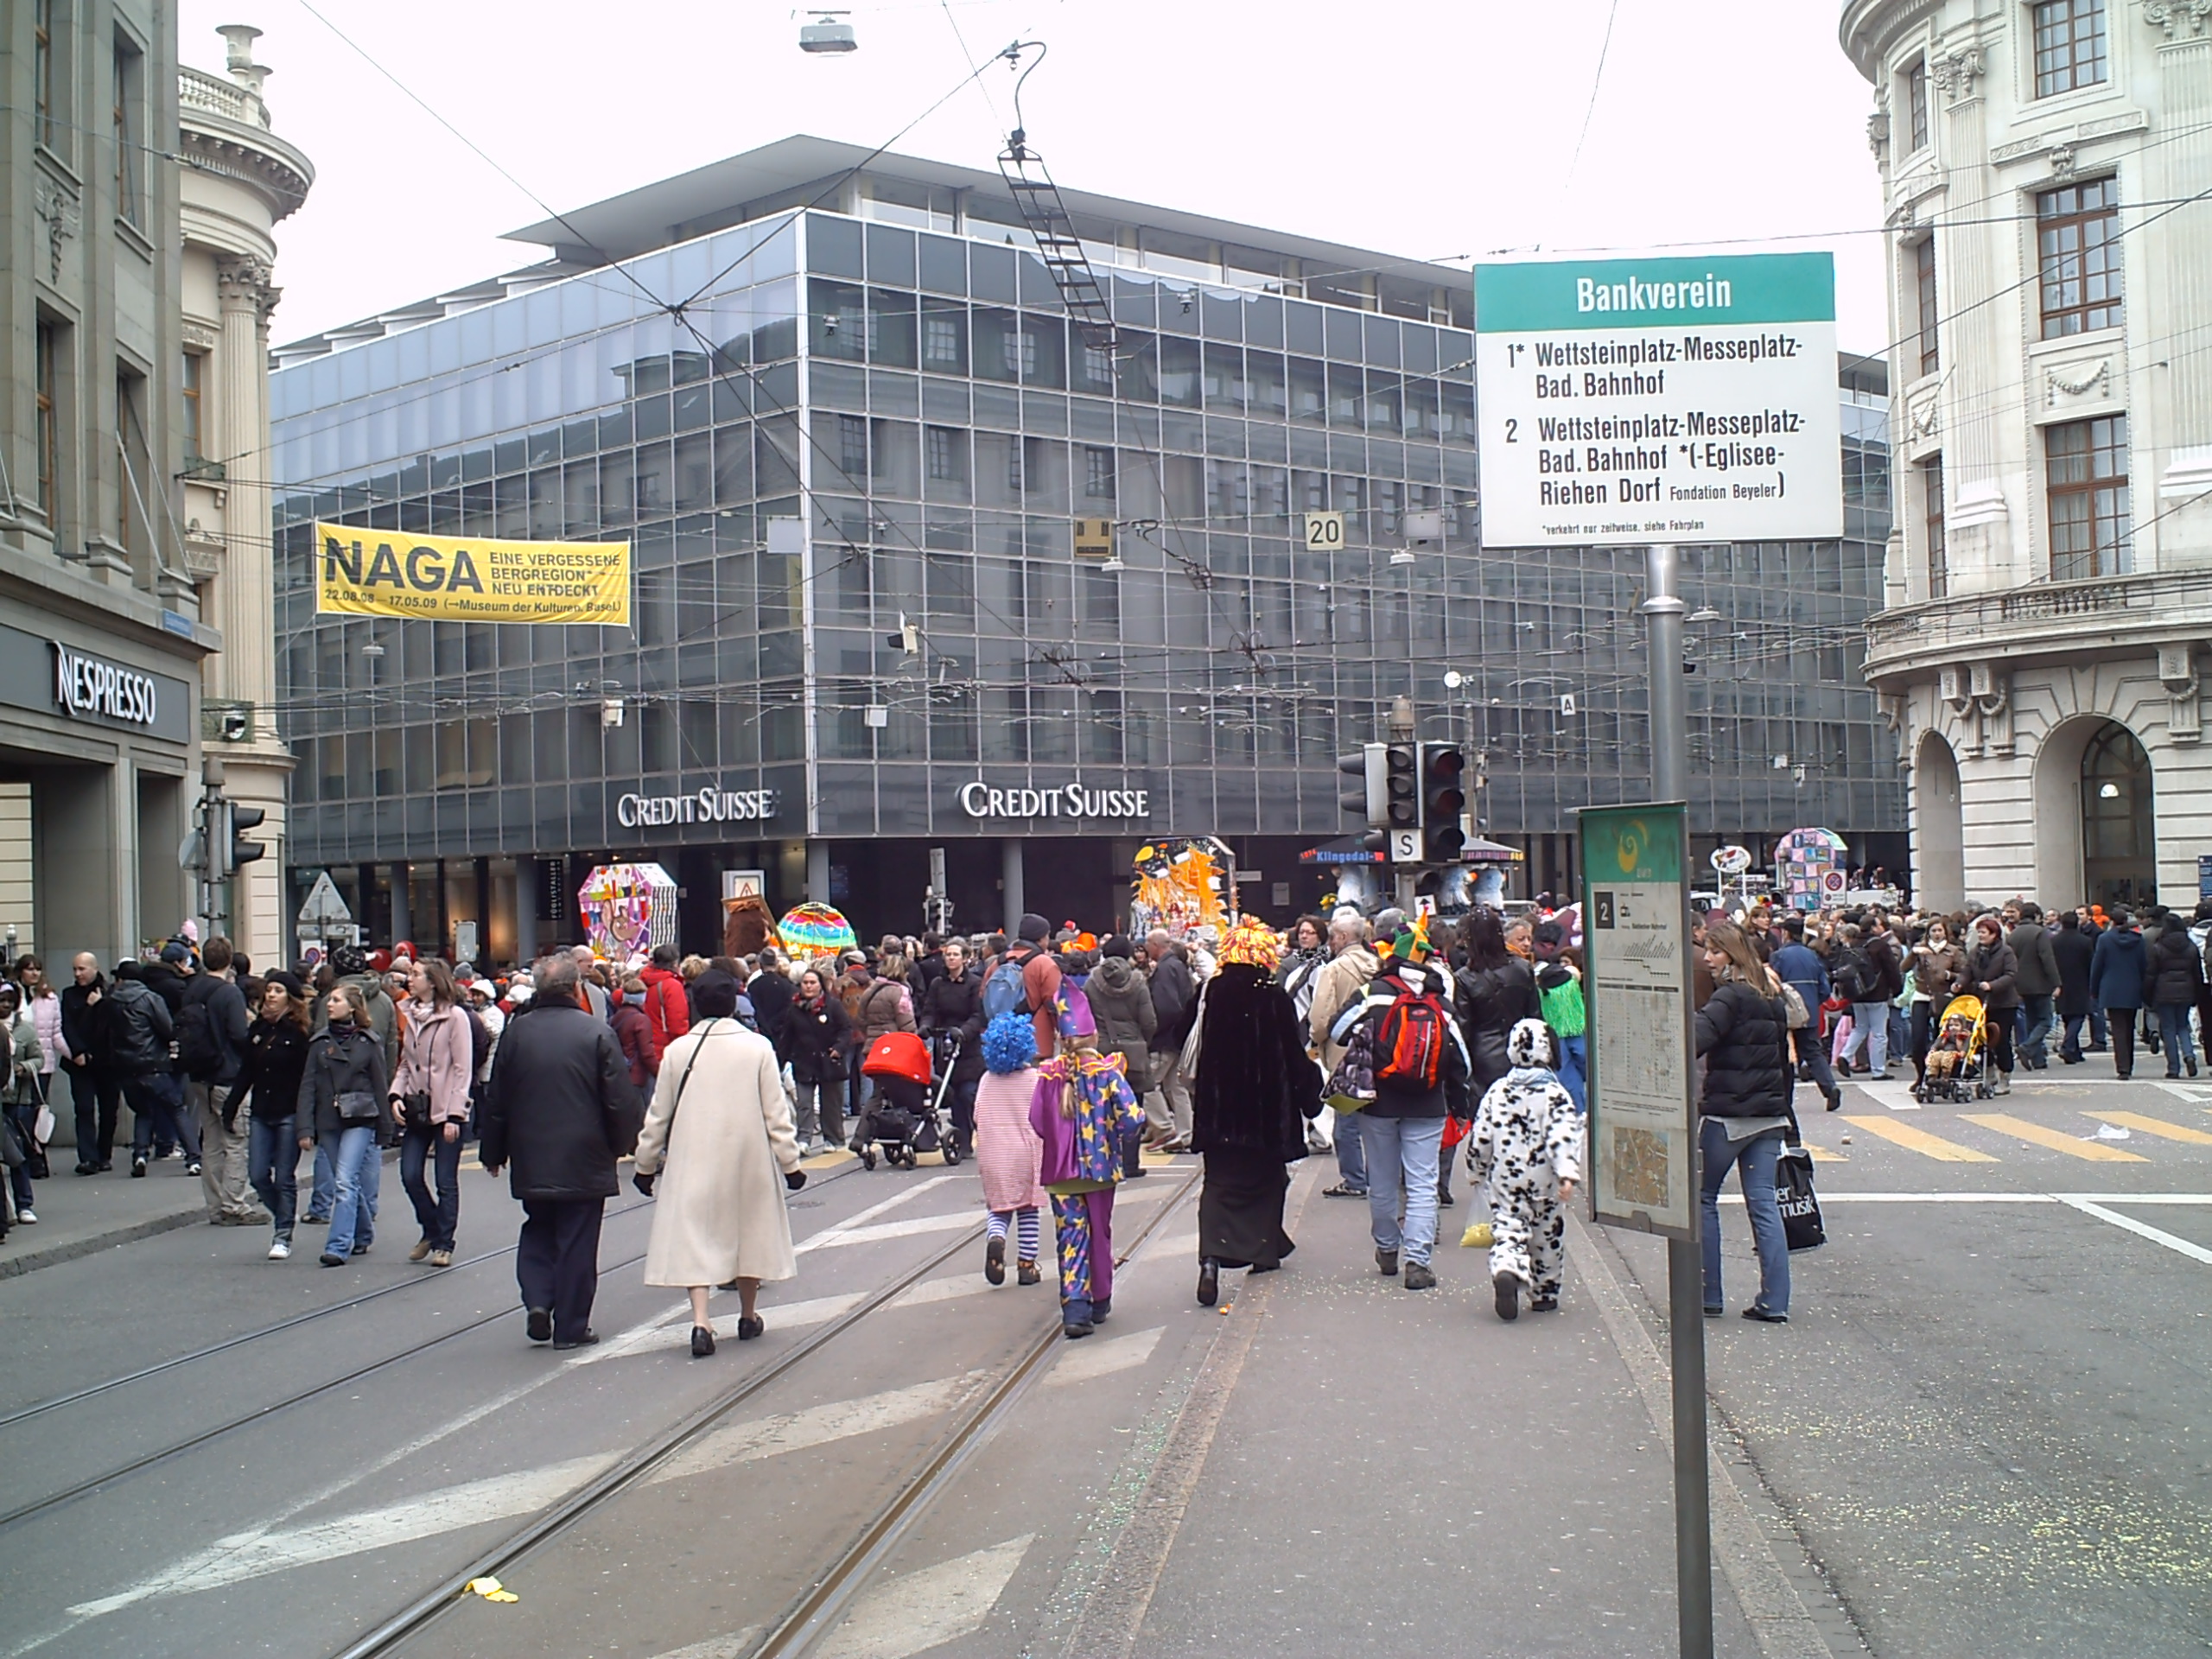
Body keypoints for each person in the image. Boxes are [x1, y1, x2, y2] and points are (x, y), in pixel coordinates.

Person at [632, 971, 805, 1357]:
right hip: (748, 1156)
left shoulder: (678, 1050)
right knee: (749, 1233)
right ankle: (747, 1314)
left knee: (696, 1236)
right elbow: (776, 1112)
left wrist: (645, 1164)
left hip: (693, 1156)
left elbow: (658, 1114)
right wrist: (790, 1163)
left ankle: (700, 1321)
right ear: (733, 1004)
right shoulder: (758, 1047)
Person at [480, 956, 644, 1349]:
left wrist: (493, 1150)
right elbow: (619, 1099)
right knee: (577, 1240)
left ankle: (538, 1299)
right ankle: (570, 1326)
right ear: (576, 988)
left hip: (531, 1151)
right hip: (585, 1155)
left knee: (537, 1227)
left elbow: (497, 1098)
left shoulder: (517, 1033)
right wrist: (627, 1143)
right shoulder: (595, 1032)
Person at [1329, 915, 1471, 1292]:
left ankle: (1388, 1249)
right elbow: (1463, 1060)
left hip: (1379, 1101)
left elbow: (1337, 1031)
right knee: (1423, 1183)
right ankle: (1418, 1263)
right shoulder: (1438, 997)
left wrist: (1369, 1033)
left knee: (1382, 1179)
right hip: (1428, 1102)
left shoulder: (1373, 992)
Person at [1186, 919, 1321, 1306]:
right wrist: (1311, 1097)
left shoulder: (1209, 990)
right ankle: (1262, 1252)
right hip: (1264, 1114)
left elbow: (1180, 1032)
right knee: (1267, 1181)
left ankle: (1210, 1258)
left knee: (1219, 1184)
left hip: (1219, 1112)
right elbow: (1293, 1056)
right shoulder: (1272, 995)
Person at [1029, 982, 1146, 1338]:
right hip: (1099, 1171)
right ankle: (1100, 1299)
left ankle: (1074, 1308)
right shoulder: (1106, 1073)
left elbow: (1036, 1121)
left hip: (1060, 1174)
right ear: (1093, 1036)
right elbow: (1132, 1118)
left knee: (1070, 1237)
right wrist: (1115, 1135)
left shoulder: (1049, 1077)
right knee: (1100, 1233)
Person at [1695, 919, 1794, 1324]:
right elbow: (1782, 1059)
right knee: (1764, 1204)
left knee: (1703, 1198)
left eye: (1714, 951)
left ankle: (1709, 1295)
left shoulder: (1729, 998)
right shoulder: (1770, 996)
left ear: (1732, 955)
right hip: (1769, 1116)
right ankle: (1775, 1301)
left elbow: (1693, 1039)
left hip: (1728, 1114)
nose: (1707, 958)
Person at [1467, 1019, 1584, 1321]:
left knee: (1508, 1227)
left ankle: (1507, 1265)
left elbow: (1481, 1134)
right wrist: (1567, 1173)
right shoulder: (1555, 1095)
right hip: (1544, 1176)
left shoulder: (1498, 1091)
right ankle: (1544, 1292)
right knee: (1547, 1234)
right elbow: (1563, 1135)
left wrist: (1476, 1168)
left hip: (1506, 1175)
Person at [299, 983, 394, 1267]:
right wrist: (304, 1127)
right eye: (329, 1000)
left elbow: (380, 1085)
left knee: (343, 1179)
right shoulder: (319, 1042)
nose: (329, 1004)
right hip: (328, 1120)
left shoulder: (368, 1041)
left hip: (359, 1117)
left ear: (352, 1006)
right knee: (348, 1181)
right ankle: (363, 1233)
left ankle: (338, 1245)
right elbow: (308, 1086)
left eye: (337, 1000)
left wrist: (385, 1127)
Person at [1452, 907, 1536, 1207]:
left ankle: (1493, 1197)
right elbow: (1535, 1019)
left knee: (1486, 1131)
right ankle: (1520, 1191)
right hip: (1520, 1059)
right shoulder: (1522, 970)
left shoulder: (1464, 977)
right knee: (1521, 1129)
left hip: (1482, 1062)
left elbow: (1462, 1028)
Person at [392, 958, 474, 1267]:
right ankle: (431, 1228)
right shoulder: (410, 1014)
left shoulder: (455, 1018)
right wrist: (396, 1093)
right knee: (410, 1174)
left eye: (414, 975)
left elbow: (462, 1068)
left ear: (433, 981)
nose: (409, 980)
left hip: (445, 1110)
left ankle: (444, 1243)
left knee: (445, 1181)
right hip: (417, 1108)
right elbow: (405, 1063)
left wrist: (455, 1114)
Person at [180, 937, 257, 1224]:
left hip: (199, 1074)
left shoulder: (192, 990)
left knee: (210, 1141)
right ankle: (234, 1205)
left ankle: (215, 1206)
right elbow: (238, 1035)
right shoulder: (229, 993)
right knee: (236, 1140)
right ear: (228, 961)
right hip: (227, 1075)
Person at [237, 972, 313, 1260]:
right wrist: (232, 1106)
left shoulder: (300, 1033)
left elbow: (308, 1079)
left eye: (278, 990)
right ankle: (284, 1213)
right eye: (269, 990)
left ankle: (282, 1234)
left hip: (289, 1112)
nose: (270, 995)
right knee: (257, 1174)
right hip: (261, 1111)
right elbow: (247, 1071)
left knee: (284, 1177)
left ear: (290, 998)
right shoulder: (258, 1029)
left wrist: (308, 1119)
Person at [1308, 912, 1379, 1198]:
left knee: (1346, 1123)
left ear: (1343, 938)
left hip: (1345, 1057)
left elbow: (1321, 1017)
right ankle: (1378, 1176)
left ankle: (1354, 1180)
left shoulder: (1334, 970)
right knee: (1375, 1124)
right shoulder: (1378, 964)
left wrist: (1316, 1039)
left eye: (1333, 936)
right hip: (1379, 1054)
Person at [974, 1011, 1046, 1287]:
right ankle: (1027, 1266)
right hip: (1025, 1154)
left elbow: (978, 1113)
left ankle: (997, 1238)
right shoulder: (1035, 1079)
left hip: (993, 1153)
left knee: (999, 1207)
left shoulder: (986, 1080)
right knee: (1028, 1208)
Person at [111, 962, 199, 1178]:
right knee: (176, 1109)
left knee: (143, 1112)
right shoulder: (150, 999)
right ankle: (194, 1159)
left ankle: (140, 1155)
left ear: (121, 979)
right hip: (154, 1064)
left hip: (125, 1067)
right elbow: (167, 1029)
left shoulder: (110, 1002)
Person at [1080, 936, 1157, 1179]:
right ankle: (1131, 1164)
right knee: (1133, 1107)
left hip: (1100, 1053)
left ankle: (1105, 1162)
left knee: (1102, 1109)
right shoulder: (1138, 981)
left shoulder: (1092, 982)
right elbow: (1149, 1021)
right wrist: (1141, 1042)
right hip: (1133, 1053)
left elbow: (1085, 1016)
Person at [918, 938, 988, 1158]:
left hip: (968, 1047)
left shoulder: (974, 984)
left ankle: (972, 1134)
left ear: (966, 959)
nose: (950, 958)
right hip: (945, 1044)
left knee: (967, 1094)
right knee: (951, 1094)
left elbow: (978, 1015)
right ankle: (959, 1137)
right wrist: (926, 1026)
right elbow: (930, 1010)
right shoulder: (938, 984)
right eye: (948, 954)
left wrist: (965, 1032)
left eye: (955, 955)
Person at [1770, 916, 1844, 1110]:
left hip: (1784, 1009)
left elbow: (1773, 984)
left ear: (1785, 933)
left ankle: (1786, 1098)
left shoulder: (1779, 956)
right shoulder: (1812, 955)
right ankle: (1830, 1087)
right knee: (1813, 1052)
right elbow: (1824, 988)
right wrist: (1812, 1002)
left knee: (1783, 1053)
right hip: (1808, 1009)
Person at [779, 967, 852, 1150]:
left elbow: (846, 1029)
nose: (809, 986)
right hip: (804, 1062)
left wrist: (838, 1048)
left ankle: (833, 1139)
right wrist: (780, 1062)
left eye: (813, 983)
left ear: (820, 985)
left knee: (830, 1104)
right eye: (805, 983)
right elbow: (787, 1037)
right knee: (804, 1103)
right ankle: (804, 1139)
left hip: (829, 1061)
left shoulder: (833, 1006)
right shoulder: (794, 1009)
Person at [59, 953, 118, 1174]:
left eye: (82, 969)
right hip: (81, 1062)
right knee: (84, 1109)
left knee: (108, 1110)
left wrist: (99, 1004)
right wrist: (77, 1051)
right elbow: (67, 1026)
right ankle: (88, 1157)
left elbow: (114, 1023)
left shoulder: (110, 993)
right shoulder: (70, 995)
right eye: (75, 969)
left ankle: (104, 1154)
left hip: (107, 1062)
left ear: (95, 969)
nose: (78, 974)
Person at [1141, 930, 1196, 1152]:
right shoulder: (1177, 966)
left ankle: (1165, 1129)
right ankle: (1186, 1134)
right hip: (1178, 1037)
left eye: (1147, 944)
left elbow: (1166, 1008)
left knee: (1146, 1084)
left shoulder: (1164, 969)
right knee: (1176, 1087)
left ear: (1155, 944)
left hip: (1165, 1038)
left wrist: (1152, 1032)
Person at [1961, 913, 2020, 1094]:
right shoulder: (1975, 952)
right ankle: (1989, 1073)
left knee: (2001, 1040)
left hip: (2003, 1003)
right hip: (1981, 1002)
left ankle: (2005, 1076)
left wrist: (1992, 985)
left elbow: (2010, 974)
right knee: (1980, 1039)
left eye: (1984, 932)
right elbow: (1967, 971)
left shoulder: (2005, 952)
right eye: (1979, 932)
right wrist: (1959, 983)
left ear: (1994, 934)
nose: (1980, 936)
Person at [1533, 926, 1588, 1113]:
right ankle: (1578, 1111)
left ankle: (1577, 1111)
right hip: (1571, 1030)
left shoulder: (1544, 987)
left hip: (1557, 1033)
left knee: (1566, 1074)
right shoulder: (1571, 985)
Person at [1, 984, 44, 1223]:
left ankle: (24, 1204)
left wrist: (24, 1067)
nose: (5, 1005)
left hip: (19, 1100)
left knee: (17, 1153)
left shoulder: (26, 1031)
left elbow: (39, 1059)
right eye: (1, 1000)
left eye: (10, 1001)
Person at [1905, 918, 1964, 1090]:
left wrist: (1949, 976)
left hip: (1944, 997)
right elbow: (1903, 967)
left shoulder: (1954, 951)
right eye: (1934, 931)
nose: (1937, 934)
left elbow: (1964, 973)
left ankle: (1942, 1076)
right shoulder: (1921, 949)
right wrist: (1913, 954)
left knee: (1944, 1039)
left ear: (1945, 932)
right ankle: (1921, 1075)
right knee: (1918, 1039)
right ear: (1928, 933)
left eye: (1940, 930)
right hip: (1922, 995)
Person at [16, 957, 60, 1173]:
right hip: (18, 1061)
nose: (33, 973)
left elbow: (56, 1032)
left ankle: (39, 1156)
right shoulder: (14, 995)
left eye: (37, 969)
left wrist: (74, 1054)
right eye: (29, 969)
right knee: (22, 1111)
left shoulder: (49, 998)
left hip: (42, 1062)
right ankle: (27, 1155)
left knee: (39, 1110)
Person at [2149, 912, 2204, 1079]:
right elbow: (2197, 973)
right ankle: (2189, 1055)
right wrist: (2197, 993)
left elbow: (2151, 973)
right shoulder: (2190, 946)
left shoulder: (2158, 947)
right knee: (2182, 1026)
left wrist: (2148, 995)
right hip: (2186, 990)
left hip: (2164, 991)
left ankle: (2173, 1067)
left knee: (2168, 1029)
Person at [2010, 904, 2061, 1071]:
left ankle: (2038, 1059)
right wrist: (2056, 982)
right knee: (2045, 1020)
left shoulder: (2013, 934)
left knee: (2031, 1021)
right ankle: (2027, 1047)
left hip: (2020, 983)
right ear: (2037, 916)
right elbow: (2047, 958)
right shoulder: (2040, 932)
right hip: (2039, 982)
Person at [2053, 910, 2098, 1065]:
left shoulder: (2054, 941)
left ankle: (2074, 1051)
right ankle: (2068, 1047)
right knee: (2078, 1016)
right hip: (2080, 982)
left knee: (2067, 1016)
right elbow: (2091, 964)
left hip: (2061, 982)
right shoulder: (2084, 941)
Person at [610, 974, 664, 1092]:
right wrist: (659, 1073)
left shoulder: (616, 1016)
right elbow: (647, 1053)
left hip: (620, 1072)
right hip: (637, 1075)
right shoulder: (640, 1020)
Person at [639, 944, 692, 1054]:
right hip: (664, 1047)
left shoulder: (640, 980)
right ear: (674, 963)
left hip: (641, 1043)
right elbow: (677, 1024)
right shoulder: (672, 986)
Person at [1276, 916, 1329, 1026]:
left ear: (1320, 936)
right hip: (1292, 1021)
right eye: (1301, 932)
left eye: (1310, 933)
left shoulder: (1330, 962)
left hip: (1319, 1022)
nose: (1304, 936)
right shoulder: (1288, 963)